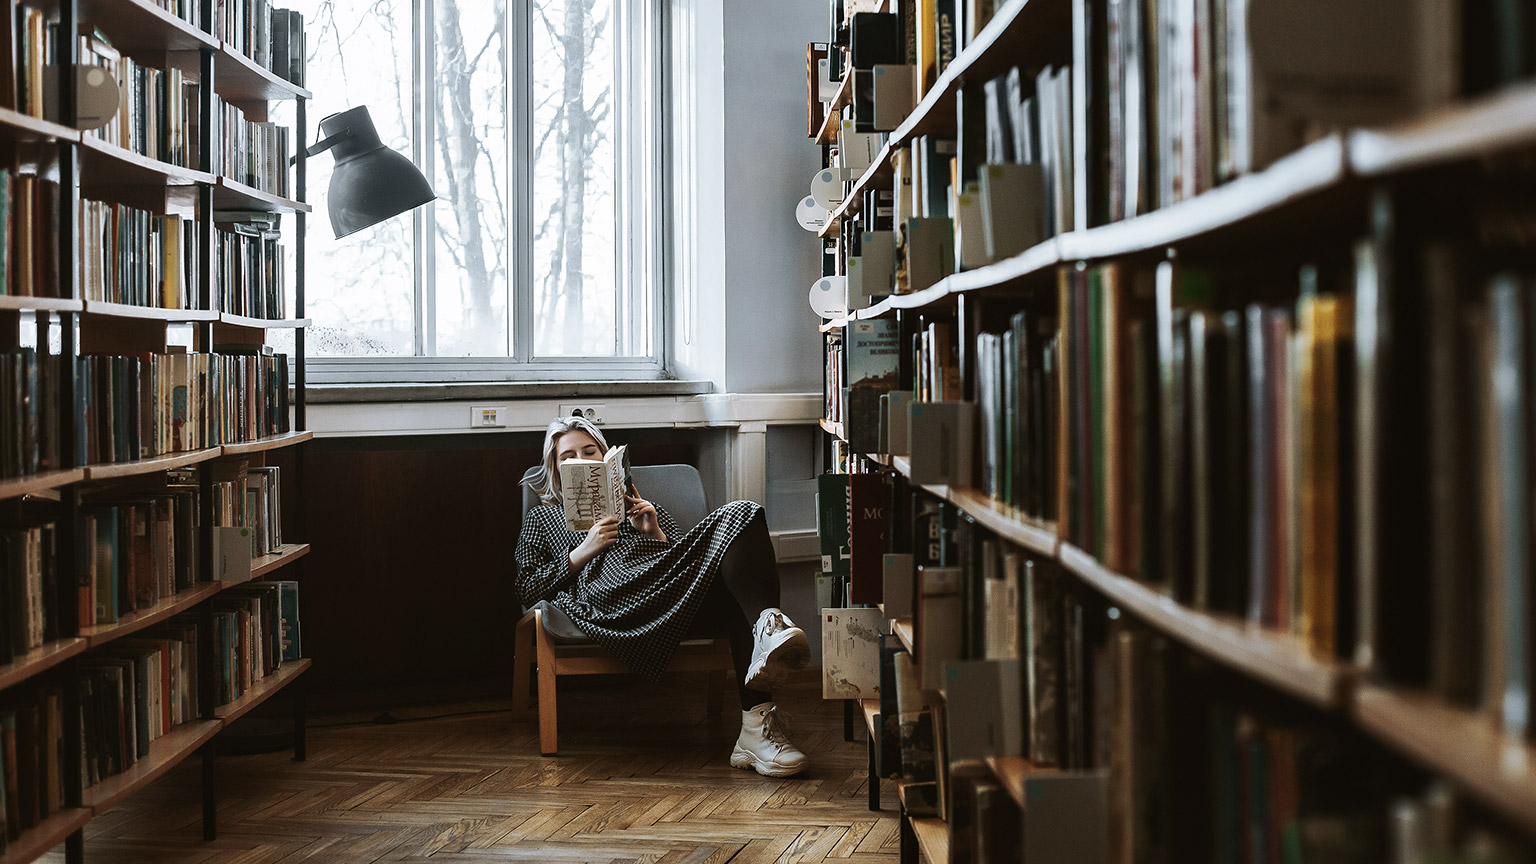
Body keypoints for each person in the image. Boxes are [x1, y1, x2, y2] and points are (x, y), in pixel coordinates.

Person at [515, 415, 812, 776]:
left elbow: (689, 558)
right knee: (737, 529)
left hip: (662, 591)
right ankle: (768, 629)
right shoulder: (543, 518)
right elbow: (528, 588)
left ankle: (755, 729)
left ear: (606, 459)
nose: (581, 460)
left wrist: (653, 530)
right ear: (556, 468)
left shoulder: (637, 504)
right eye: (568, 456)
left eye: (590, 451)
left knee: (744, 515)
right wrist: (582, 552)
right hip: (611, 600)